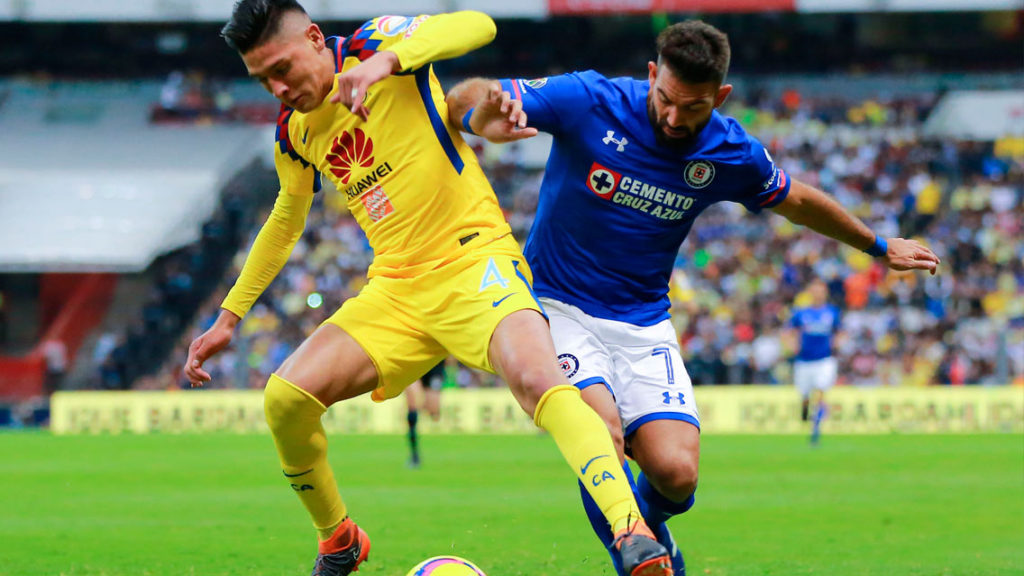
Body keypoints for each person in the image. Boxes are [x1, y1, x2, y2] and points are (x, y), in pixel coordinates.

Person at [183, 2, 673, 576]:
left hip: (473, 259)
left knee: (539, 377)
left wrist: (388, 61)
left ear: (315, 39)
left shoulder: (376, 45)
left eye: (282, 69)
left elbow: (478, 25)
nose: (277, 88)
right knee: (285, 399)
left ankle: (631, 531)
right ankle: (338, 538)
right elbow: (286, 219)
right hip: (395, 288)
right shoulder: (293, 132)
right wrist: (229, 317)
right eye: (262, 79)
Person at [446, 19, 940, 576]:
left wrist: (877, 245)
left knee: (677, 477)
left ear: (721, 97)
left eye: (694, 107)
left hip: (642, 322)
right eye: (666, 100)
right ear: (652, 74)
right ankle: (637, 555)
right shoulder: (589, 99)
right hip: (557, 305)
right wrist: (481, 111)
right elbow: (465, 98)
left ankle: (651, 527)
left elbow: (796, 200)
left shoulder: (729, 151)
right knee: (600, 430)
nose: (675, 118)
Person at [788, 279, 841, 445]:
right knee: (805, 394)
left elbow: (841, 331)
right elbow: (788, 331)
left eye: (820, 290)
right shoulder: (801, 313)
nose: (817, 293)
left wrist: (837, 343)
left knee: (820, 392)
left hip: (824, 359)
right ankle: (805, 408)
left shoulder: (832, 312)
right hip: (804, 360)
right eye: (814, 290)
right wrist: (792, 345)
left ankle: (815, 429)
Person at [404, 359, 445, 467]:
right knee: (413, 404)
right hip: (414, 362)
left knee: (434, 411)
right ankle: (414, 454)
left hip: (434, 365)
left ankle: (423, 409)